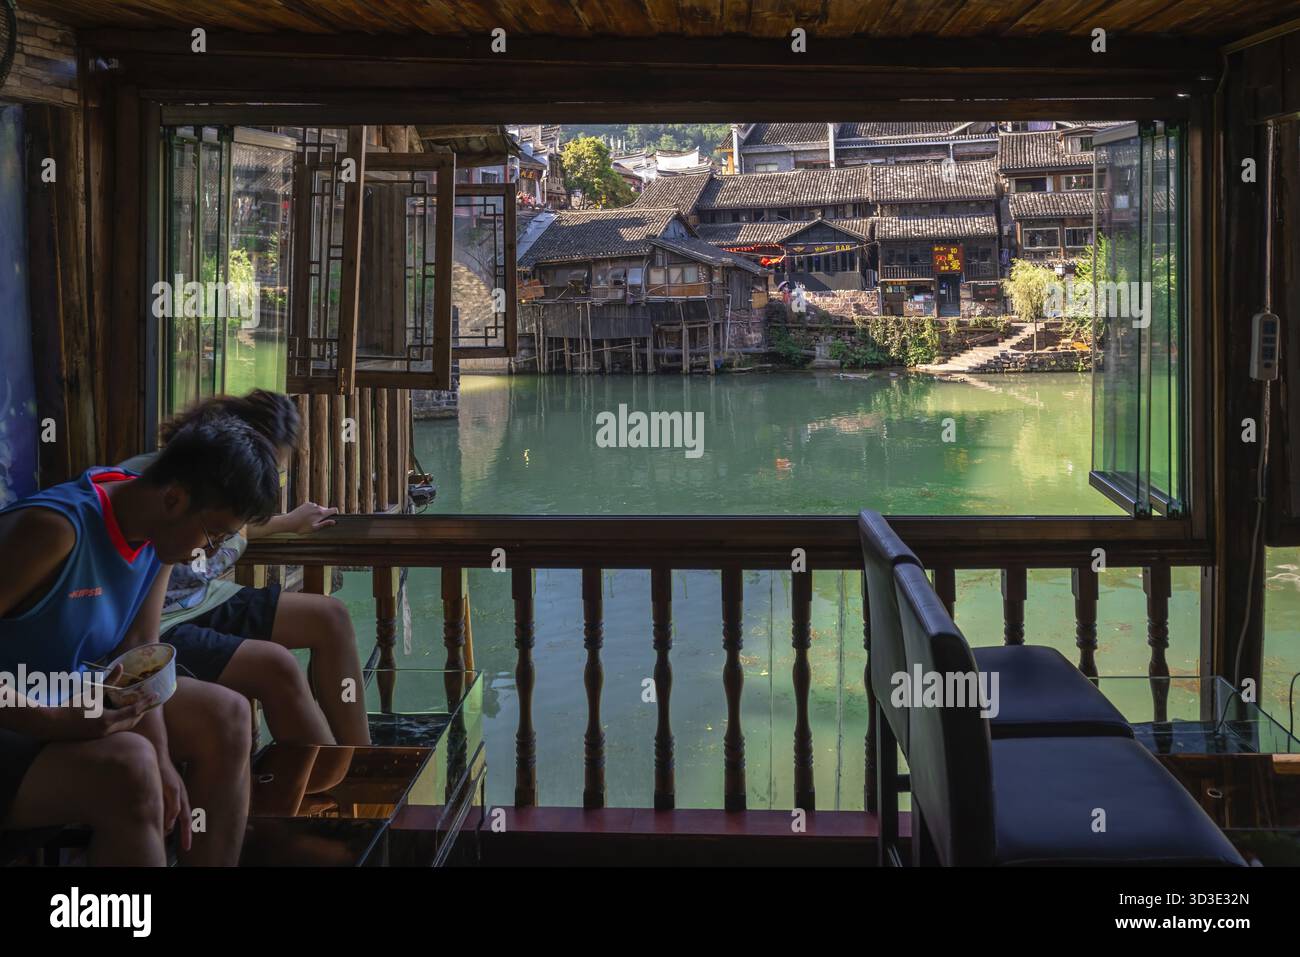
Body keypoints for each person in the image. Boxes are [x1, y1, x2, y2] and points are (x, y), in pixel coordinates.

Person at [0, 414, 279, 865]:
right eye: (214, 535)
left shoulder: (159, 536)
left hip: (61, 695)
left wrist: (164, 757)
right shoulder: (55, 530)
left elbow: (139, 652)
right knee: (131, 766)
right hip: (19, 714)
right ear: (173, 498)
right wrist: (48, 720)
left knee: (227, 716)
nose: (208, 554)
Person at [119, 390, 370, 749]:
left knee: (331, 616)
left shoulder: (218, 498)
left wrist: (286, 523)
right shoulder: (163, 482)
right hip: (159, 620)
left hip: (202, 596)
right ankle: (330, 784)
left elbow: (230, 523)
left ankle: (360, 759)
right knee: (275, 666)